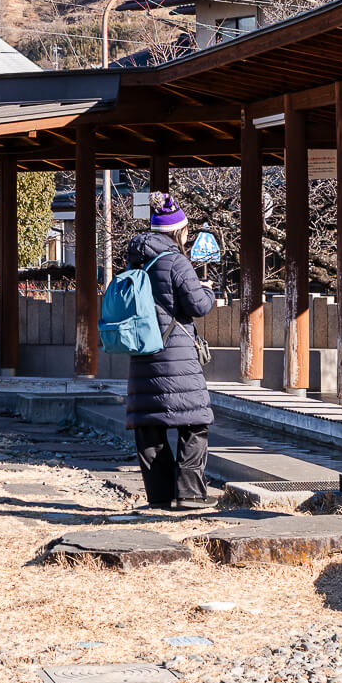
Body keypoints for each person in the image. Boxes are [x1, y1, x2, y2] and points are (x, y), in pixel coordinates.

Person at [124, 191, 217, 510]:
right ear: (178, 231)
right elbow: (197, 305)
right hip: (176, 355)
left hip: (143, 354)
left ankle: (161, 497)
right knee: (194, 422)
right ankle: (190, 494)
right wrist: (209, 293)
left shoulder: (135, 260)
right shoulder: (176, 261)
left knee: (149, 425)